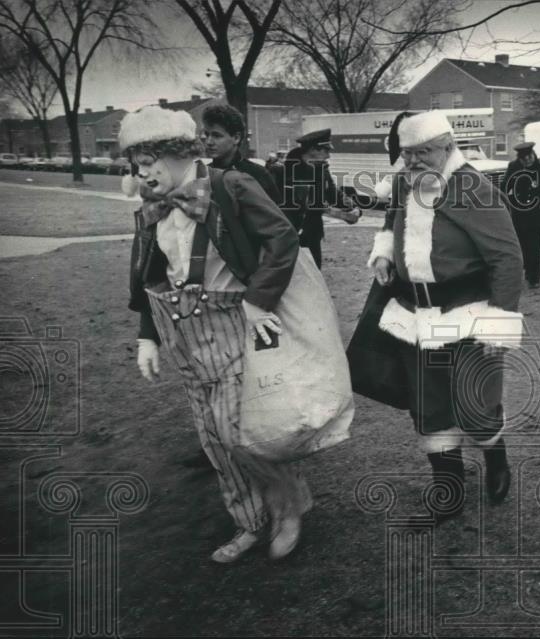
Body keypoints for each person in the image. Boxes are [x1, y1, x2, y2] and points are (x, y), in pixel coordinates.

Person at [124, 106, 312, 563]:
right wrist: (148, 334)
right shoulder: (153, 207)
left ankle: (289, 508)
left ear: (178, 152)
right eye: (136, 164)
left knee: (241, 433)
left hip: (234, 327)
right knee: (212, 439)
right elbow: (152, 274)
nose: (142, 174)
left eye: (149, 162)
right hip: (184, 336)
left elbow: (284, 239)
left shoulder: (231, 186)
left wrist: (258, 300)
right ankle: (248, 521)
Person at [366, 111, 524, 523]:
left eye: (424, 153)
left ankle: (497, 458)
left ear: (448, 147)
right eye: (407, 154)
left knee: (475, 401)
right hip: (415, 314)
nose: (414, 162)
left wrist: (499, 322)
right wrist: (385, 252)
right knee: (429, 404)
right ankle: (448, 488)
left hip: (468, 312)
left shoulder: (472, 187)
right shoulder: (404, 181)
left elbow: (507, 257)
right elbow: (391, 220)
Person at [273, 129, 363, 267]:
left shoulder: (321, 170)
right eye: (326, 151)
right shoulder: (282, 172)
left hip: (312, 235)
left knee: (315, 276)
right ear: (313, 149)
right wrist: (333, 212)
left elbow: (334, 194)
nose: (328, 156)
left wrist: (353, 208)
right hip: (287, 235)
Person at [502, 141, 540, 288]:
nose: (528, 161)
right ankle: (528, 271)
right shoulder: (513, 167)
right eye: (524, 159)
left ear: (533, 155)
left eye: (530, 157)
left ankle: (534, 279)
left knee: (535, 247)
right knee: (522, 247)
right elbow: (504, 187)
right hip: (518, 215)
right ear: (520, 159)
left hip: (537, 216)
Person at [201, 104, 280, 204]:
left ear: (236, 138)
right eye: (207, 135)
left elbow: (276, 216)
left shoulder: (257, 175)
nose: (209, 142)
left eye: (217, 136)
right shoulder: (202, 174)